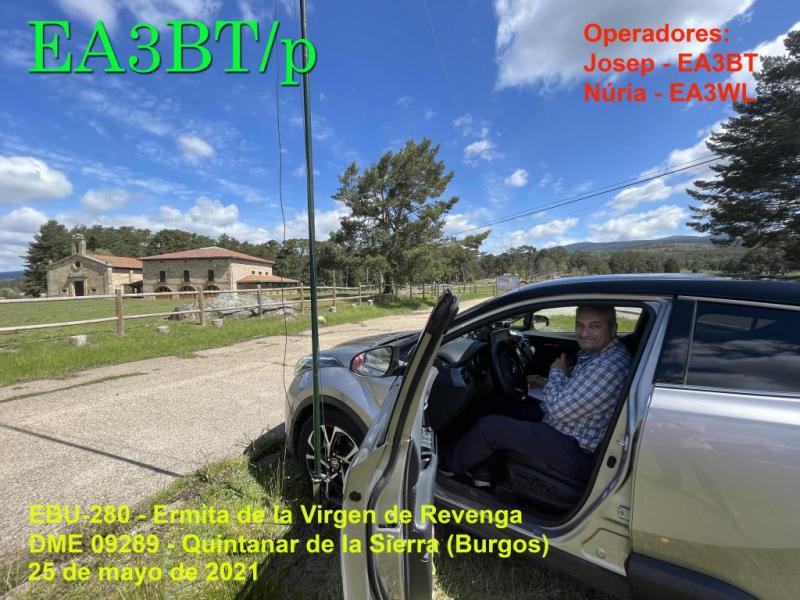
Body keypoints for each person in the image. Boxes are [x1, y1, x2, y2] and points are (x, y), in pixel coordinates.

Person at [442, 305, 632, 487]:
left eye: (595, 326)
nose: (584, 333)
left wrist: (557, 373)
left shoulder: (608, 366)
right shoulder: (601, 354)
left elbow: (559, 411)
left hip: (575, 448)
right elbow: (580, 393)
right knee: (506, 407)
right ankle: (483, 472)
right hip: (571, 429)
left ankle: (448, 467)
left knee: (489, 427)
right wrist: (546, 382)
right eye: (579, 325)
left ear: (613, 329)